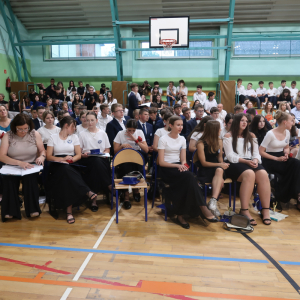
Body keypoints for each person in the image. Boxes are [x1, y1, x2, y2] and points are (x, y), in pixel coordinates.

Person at [158, 115, 218, 229]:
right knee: (190, 178)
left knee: (189, 178)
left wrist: (183, 166)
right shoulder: (163, 139)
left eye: (181, 125)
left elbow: (184, 160)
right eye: (178, 125)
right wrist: (178, 166)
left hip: (179, 167)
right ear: (170, 125)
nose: (181, 127)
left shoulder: (182, 139)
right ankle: (202, 208)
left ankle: (181, 215)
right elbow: (161, 162)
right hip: (167, 168)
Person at [47, 116, 97, 224]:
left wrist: (71, 160)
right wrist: (62, 159)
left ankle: (69, 212)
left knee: (67, 175)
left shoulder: (74, 137)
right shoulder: (53, 137)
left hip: (72, 163)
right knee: (65, 170)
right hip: (57, 164)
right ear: (66, 126)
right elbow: (49, 157)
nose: (75, 129)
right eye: (73, 126)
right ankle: (87, 191)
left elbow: (78, 155)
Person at [223, 113, 271, 226]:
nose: (245, 123)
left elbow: (256, 153)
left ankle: (265, 209)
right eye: (242, 120)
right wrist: (245, 161)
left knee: (263, 174)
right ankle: (244, 210)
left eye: (246, 121)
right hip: (235, 163)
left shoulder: (252, 135)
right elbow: (230, 156)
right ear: (236, 122)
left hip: (250, 161)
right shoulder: (228, 136)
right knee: (249, 174)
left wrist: (255, 160)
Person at [0, 113, 46, 222]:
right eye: (20, 129)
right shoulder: (8, 135)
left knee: (30, 179)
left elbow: (42, 150)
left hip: (30, 165)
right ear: (14, 126)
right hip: (12, 165)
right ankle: (10, 211)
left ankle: (32, 210)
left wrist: (42, 157)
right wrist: (19, 163)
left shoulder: (35, 134)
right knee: (9, 180)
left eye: (26, 128)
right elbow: (2, 156)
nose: (23, 131)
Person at [259, 111, 300, 210]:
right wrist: (276, 158)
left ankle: (296, 193)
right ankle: (286, 193)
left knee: (297, 163)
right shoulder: (270, 134)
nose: (293, 123)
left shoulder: (287, 132)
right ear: (285, 122)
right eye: (291, 120)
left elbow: (286, 147)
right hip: (270, 159)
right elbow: (261, 151)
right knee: (291, 169)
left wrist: (286, 153)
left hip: (281, 157)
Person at [78, 112, 112, 212]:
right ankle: (109, 185)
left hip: (101, 159)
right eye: (87, 120)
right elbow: (79, 152)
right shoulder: (82, 134)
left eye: (92, 120)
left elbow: (107, 149)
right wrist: (83, 155)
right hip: (87, 160)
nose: (90, 122)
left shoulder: (102, 133)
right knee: (96, 164)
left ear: (96, 121)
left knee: (97, 164)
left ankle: (94, 201)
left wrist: (103, 153)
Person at [196, 120, 229, 217]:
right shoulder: (200, 143)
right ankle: (213, 204)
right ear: (213, 130)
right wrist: (219, 165)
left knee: (219, 170)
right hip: (206, 168)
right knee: (220, 173)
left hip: (217, 168)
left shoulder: (219, 141)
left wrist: (222, 164)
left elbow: (219, 158)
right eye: (219, 128)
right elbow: (203, 163)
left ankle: (213, 201)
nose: (220, 129)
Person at [114, 119, 148, 209]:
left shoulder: (140, 132)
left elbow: (146, 149)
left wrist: (135, 140)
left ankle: (136, 190)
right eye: (129, 130)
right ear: (126, 128)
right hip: (124, 157)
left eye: (133, 130)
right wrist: (122, 146)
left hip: (136, 157)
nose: (132, 132)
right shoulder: (120, 133)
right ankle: (126, 196)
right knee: (125, 168)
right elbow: (115, 151)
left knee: (136, 166)